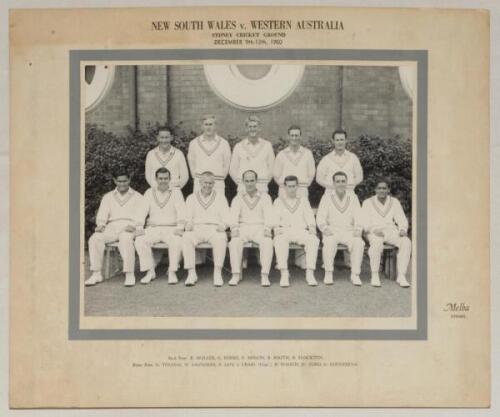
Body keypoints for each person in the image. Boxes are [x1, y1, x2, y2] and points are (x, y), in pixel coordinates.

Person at [85, 168, 143, 287]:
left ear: (129, 180)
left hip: (128, 226)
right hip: (111, 226)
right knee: (95, 239)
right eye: (119, 181)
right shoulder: (108, 197)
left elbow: (141, 215)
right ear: (115, 181)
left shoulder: (138, 197)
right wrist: (101, 224)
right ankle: (96, 273)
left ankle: (129, 274)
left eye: (125, 181)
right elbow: (102, 214)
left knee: (126, 240)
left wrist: (134, 225)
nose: (122, 184)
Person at [134, 167, 185, 285]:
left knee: (177, 241)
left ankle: (172, 271)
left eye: (166, 178)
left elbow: (182, 211)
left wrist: (180, 227)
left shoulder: (176, 192)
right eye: (160, 178)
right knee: (139, 240)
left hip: (171, 228)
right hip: (153, 228)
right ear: (156, 179)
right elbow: (141, 211)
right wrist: (139, 228)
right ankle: (150, 271)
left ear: (170, 179)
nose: (163, 181)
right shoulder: (148, 192)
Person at [316, 171, 365, 286]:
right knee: (329, 242)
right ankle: (328, 273)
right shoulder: (327, 197)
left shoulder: (353, 197)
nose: (341, 183)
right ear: (333, 183)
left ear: (346, 183)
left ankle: (355, 274)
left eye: (343, 181)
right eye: (338, 181)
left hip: (349, 230)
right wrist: (324, 228)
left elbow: (359, 216)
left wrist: (358, 229)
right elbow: (320, 217)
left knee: (358, 242)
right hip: (333, 230)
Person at [182, 171, 230, 287]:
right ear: (200, 182)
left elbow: (227, 216)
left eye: (210, 183)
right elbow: (186, 217)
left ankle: (217, 273)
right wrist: (187, 224)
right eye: (205, 183)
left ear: (214, 184)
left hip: (214, 228)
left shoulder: (220, 198)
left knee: (221, 238)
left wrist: (223, 225)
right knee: (186, 237)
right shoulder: (191, 198)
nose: (207, 185)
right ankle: (191, 273)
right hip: (197, 227)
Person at [361, 180, 411, 287]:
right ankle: (375, 274)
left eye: (384, 188)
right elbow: (364, 221)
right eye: (379, 188)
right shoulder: (367, 202)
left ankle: (401, 275)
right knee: (376, 243)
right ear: (375, 190)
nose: (382, 190)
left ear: (388, 190)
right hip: (374, 231)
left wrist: (402, 229)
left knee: (406, 242)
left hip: (390, 230)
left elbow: (401, 218)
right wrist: (373, 230)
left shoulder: (394, 202)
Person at [228, 170, 274, 287]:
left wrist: (268, 228)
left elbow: (269, 215)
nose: (249, 183)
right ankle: (236, 274)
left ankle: (264, 275)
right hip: (243, 227)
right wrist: (234, 229)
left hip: (259, 227)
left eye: (252, 180)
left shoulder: (265, 197)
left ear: (256, 181)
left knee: (268, 242)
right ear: (243, 182)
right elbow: (233, 216)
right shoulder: (238, 198)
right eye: (247, 181)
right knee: (234, 242)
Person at [272, 175, 319, 287]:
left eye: (294, 186)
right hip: (285, 230)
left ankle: (310, 273)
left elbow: (309, 216)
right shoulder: (279, 201)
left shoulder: (303, 201)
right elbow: (274, 218)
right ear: (285, 187)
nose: (291, 189)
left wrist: (312, 226)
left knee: (313, 240)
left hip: (300, 230)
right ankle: (284, 273)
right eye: (289, 186)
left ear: (297, 186)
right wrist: (276, 227)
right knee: (279, 240)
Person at [229, 115, 275, 194]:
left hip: (262, 187)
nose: (252, 129)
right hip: (243, 188)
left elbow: (272, 167)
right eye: (250, 126)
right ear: (246, 128)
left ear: (259, 128)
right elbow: (232, 169)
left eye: (255, 126)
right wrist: (242, 183)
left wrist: (264, 182)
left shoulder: (267, 145)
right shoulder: (239, 146)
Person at [187, 115, 231, 193]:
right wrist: (199, 178)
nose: (208, 127)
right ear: (202, 126)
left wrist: (219, 178)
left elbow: (226, 164)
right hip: (199, 183)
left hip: (218, 183)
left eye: (211, 124)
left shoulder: (224, 143)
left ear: (215, 126)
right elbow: (192, 164)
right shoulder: (194, 143)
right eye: (206, 124)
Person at [273, 125, 315, 199]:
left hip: (302, 190)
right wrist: (284, 186)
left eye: (296, 135)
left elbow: (311, 173)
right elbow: (276, 174)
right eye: (292, 135)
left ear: (300, 137)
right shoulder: (281, 154)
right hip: (284, 191)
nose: (294, 138)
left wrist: (304, 185)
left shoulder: (307, 153)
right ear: (288, 137)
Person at [144, 126, 189, 193]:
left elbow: (185, 176)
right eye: (162, 137)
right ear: (158, 138)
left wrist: (175, 190)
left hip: (174, 191)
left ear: (171, 138)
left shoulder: (179, 154)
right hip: (156, 191)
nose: (164, 140)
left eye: (166, 137)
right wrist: (157, 188)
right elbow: (148, 176)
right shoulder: (151, 154)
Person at [316, 129, 363, 193]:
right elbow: (319, 178)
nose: (339, 142)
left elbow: (359, 176)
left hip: (349, 193)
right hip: (331, 193)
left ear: (346, 140)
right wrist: (332, 186)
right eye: (337, 140)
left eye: (342, 140)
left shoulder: (353, 157)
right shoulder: (326, 159)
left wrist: (350, 185)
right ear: (333, 141)